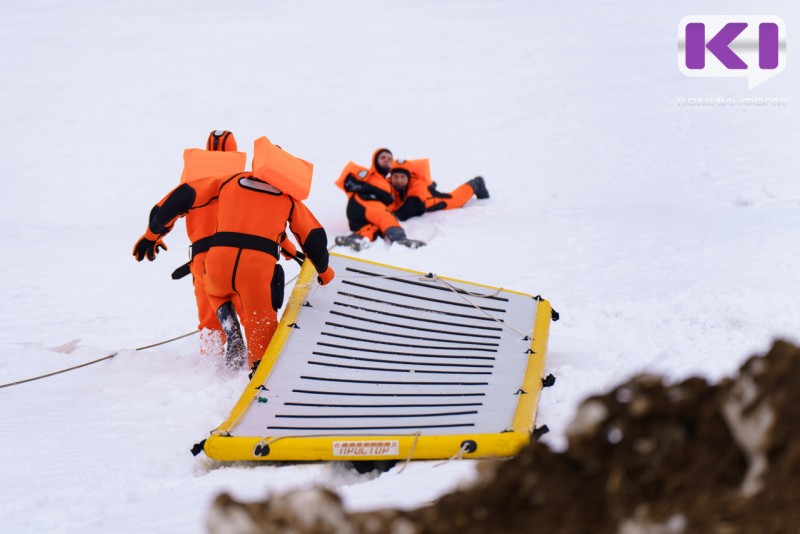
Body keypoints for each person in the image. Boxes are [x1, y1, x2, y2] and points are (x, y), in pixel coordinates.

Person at [133, 136, 333, 371]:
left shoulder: (229, 181)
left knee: (214, 297)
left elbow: (179, 198)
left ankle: (216, 342)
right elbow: (314, 237)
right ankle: (259, 371)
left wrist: (151, 235)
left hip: (216, 262)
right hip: (257, 270)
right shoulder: (288, 201)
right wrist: (324, 271)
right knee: (260, 325)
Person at [167, 130, 247, 356]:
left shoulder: (193, 180)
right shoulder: (243, 178)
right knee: (249, 308)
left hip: (202, 257)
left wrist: (152, 236)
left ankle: (211, 363)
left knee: (209, 316)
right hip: (238, 252)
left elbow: (169, 210)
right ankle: (261, 357)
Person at [333, 148, 425, 250]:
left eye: (390, 159)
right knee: (385, 218)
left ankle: (357, 239)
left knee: (374, 229)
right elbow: (349, 183)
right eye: (383, 157)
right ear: (375, 159)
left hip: (365, 216)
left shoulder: (388, 185)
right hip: (363, 203)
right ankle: (400, 239)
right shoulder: (367, 173)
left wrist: (415, 210)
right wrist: (374, 190)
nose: (386, 160)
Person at [388, 158, 489, 222]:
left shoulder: (417, 185)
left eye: (402, 177)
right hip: (422, 192)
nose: (399, 180)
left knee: (455, 200)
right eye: (395, 177)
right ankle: (431, 185)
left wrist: (393, 215)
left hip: (430, 199)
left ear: (409, 177)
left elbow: (406, 211)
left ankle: (476, 183)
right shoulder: (387, 183)